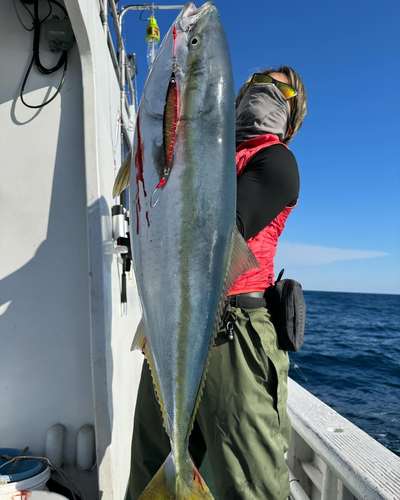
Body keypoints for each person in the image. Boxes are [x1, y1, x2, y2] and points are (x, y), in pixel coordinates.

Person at [129, 65, 307, 500]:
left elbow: (224, 232)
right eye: (251, 83)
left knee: (249, 487)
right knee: (149, 470)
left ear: (292, 109)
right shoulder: (204, 155)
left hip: (235, 336)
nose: (259, 89)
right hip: (171, 328)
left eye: (277, 86)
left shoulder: (276, 161)